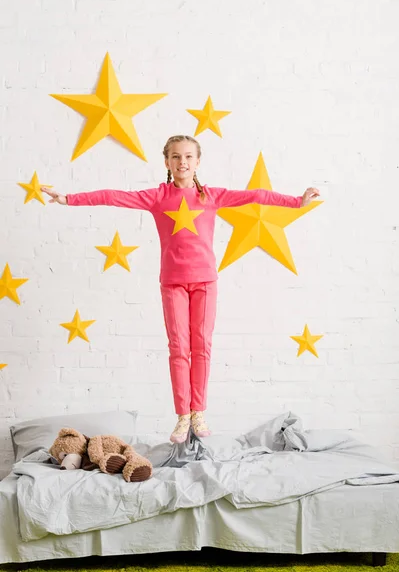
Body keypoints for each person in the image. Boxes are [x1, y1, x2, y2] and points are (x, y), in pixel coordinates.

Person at [42, 135, 320, 443]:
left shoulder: (212, 196)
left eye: (188, 156)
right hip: (172, 282)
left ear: (198, 162)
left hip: (205, 281)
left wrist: (296, 201)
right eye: (176, 157)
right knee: (178, 349)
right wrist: (69, 198)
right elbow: (114, 196)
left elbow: (255, 195)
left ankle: (198, 412)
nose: (182, 162)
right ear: (167, 163)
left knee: (201, 347)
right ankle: (183, 416)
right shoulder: (158, 197)